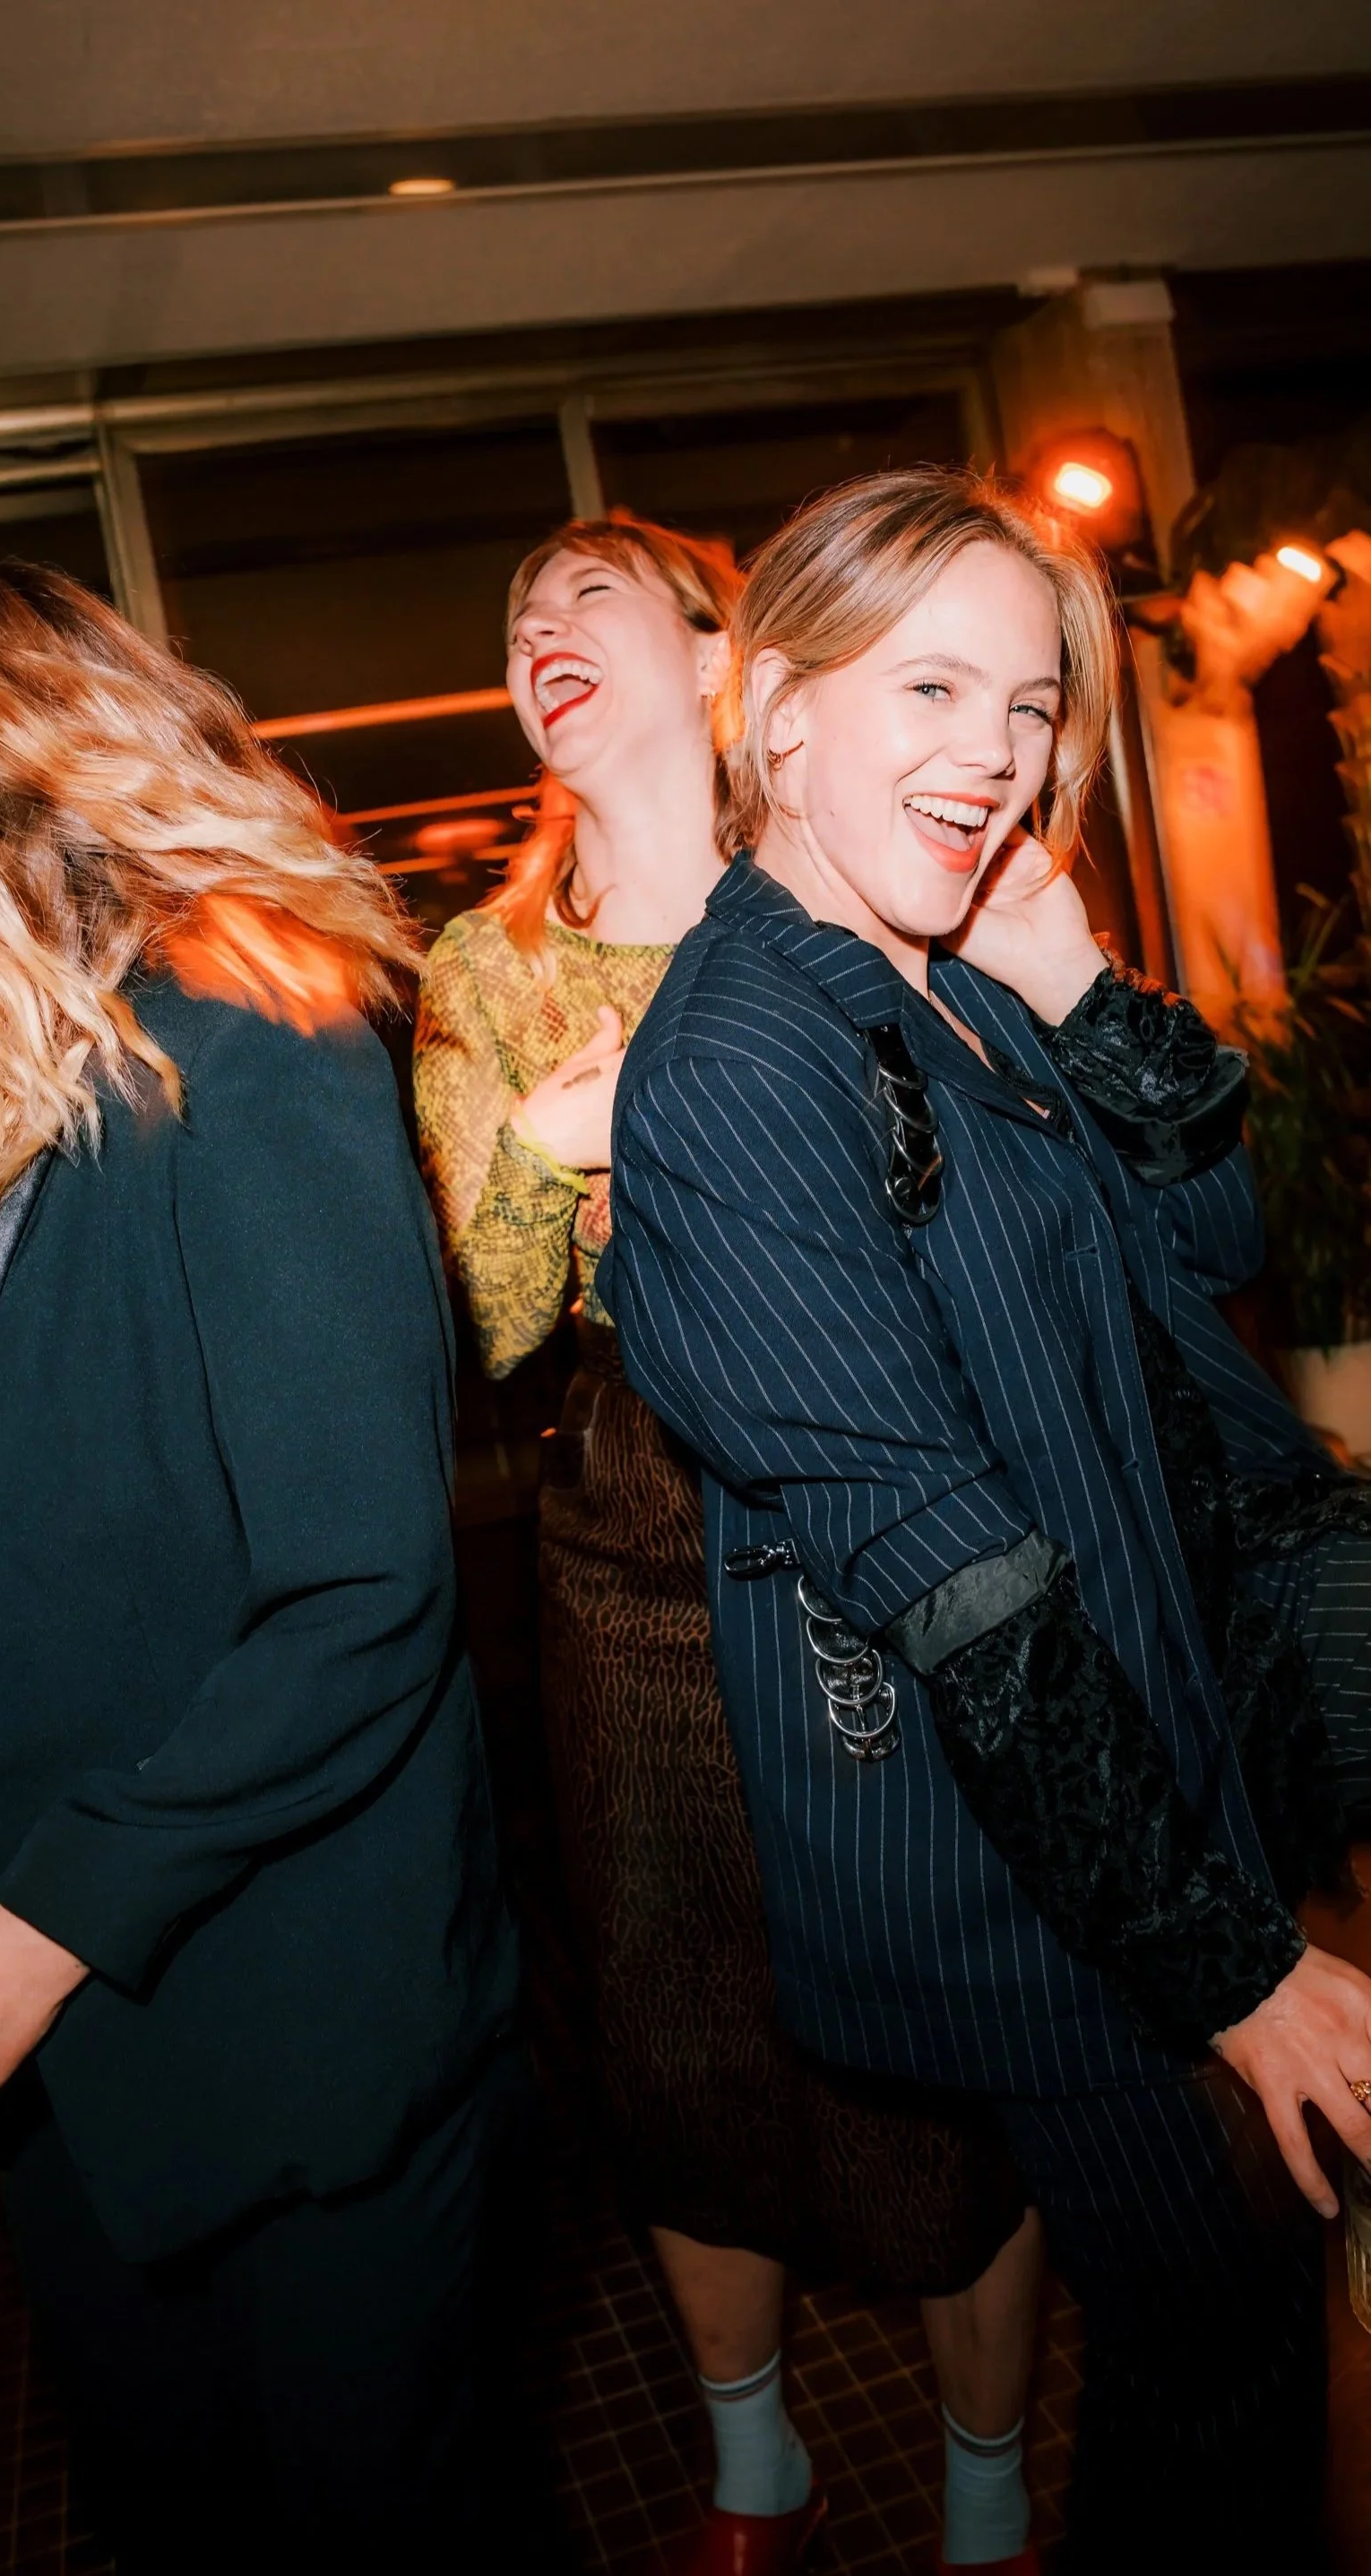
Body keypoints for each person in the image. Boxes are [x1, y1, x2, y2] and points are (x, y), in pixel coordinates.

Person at [0, 560, 528, 2575]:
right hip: (40, 2051)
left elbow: (362, 1594)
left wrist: (44, 1922)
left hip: (292, 2011)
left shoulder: (249, 1041)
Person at [601, 464, 1371, 2574]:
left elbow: (1209, 1237)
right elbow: (951, 1587)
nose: (995, 753)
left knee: (1220, 2352)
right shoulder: (742, 1059)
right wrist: (1229, 1970)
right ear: (777, 707)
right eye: (929, 687)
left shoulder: (942, 967)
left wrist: (1078, 980)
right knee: (1213, 2363)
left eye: (1029, 707)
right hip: (1010, 1866)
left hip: (1144, 1760)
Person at [417, 514, 1047, 2576]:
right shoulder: (487, 972)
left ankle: (984, 2491)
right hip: (625, 1533)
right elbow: (490, 1326)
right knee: (675, 2022)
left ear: (721, 661)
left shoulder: (867, 898)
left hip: (881, 1496)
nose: (537, 629)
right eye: (518, 616)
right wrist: (541, 1143)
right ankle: (750, 2472)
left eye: (588, 593)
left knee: (945, 2013)